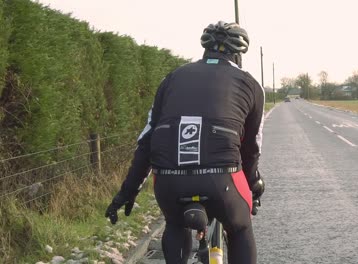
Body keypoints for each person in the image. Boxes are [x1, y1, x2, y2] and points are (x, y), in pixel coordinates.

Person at [105, 21, 265, 264]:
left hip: (170, 180)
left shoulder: (171, 78)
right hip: (221, 180)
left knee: (175, 223)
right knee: (240, 227)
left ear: (204, 50)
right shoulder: (251, 85)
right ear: (238, 54)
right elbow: (250, 149)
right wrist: (254, 186)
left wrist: (127, 192)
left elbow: (146, 142)